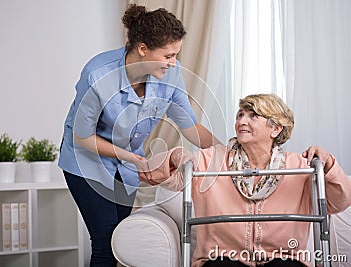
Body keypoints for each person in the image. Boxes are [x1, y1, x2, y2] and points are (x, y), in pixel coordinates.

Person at [58, 4, 219, 266]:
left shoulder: (171, 75)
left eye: (176, 55)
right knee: (105, 241)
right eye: (167, 55)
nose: (174, 63)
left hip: (128, 165)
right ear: (143, 49)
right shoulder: (98, 75)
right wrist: (133, 158)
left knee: (123, 240)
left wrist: (232, 152)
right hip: (86, 162)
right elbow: (82, 137)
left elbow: (190, 126)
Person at [143, 94, 351, 267]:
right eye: (240, 115)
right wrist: (174, 156)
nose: (242, 121)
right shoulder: (211, 160)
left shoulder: (300, 165)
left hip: (284, 257)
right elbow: (149, 173)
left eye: (253, 116)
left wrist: (329, 164)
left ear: (276, 129)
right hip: (221, 258)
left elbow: (340, 201)